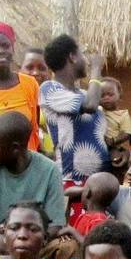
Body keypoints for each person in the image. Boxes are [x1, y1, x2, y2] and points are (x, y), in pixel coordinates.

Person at [38, 34, 108, 186]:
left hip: (98, 183)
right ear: (72, 57)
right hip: (71, 182)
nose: (86, 61)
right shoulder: (50, 89)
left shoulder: (83, 94)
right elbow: (90, 106)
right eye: (82, 54)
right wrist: (96, 70)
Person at [70, 171, 119, 237]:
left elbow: (91, 244)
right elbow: (67, 194)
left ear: (87, 193)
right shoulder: (86, 216)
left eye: (84, 188)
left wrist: (72, 231)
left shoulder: (98, 220)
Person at [99, 78, 131, 149]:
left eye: (110, 95)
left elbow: (127, 133)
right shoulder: (97, 111)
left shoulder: (123, 115)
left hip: (113, 148)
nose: (106, 98)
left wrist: (113, 141)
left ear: (119, 95)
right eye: (102, 95)